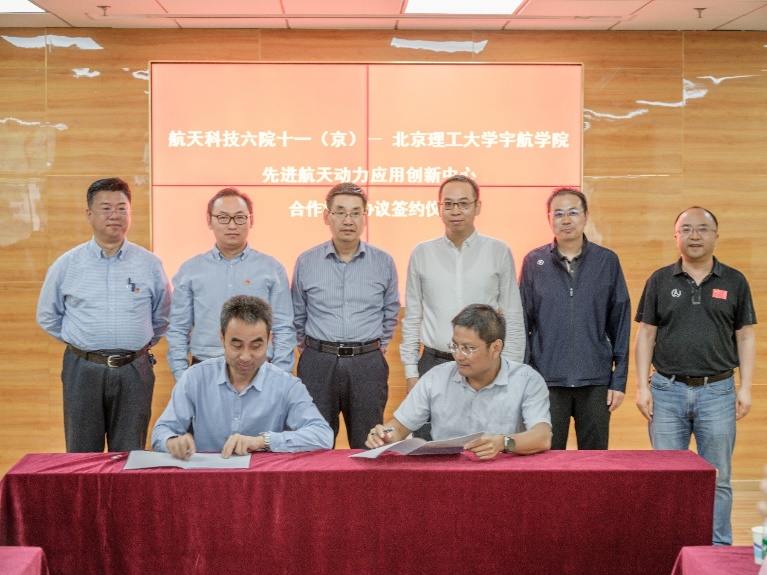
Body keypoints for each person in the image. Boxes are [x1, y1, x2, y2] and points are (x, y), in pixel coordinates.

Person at [635, 206, 756, 546]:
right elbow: (646, 334)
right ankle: (671, 548)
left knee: (718, 478)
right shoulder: (660, 280)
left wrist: (745, 388)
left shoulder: (735, 281)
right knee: (667, 478)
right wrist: (641, 387)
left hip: (718, 392)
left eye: (703, 229)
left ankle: (718, 550)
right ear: (676, 236)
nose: (695, 236)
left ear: (716, 235)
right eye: (686, 229)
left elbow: (745, 335)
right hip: (666, 392)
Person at [37, 177, 171, 452]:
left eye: (122, 208)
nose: (114, 215)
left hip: (135, 369)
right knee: (82, 453)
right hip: (82, 369)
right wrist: (81, 342)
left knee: (130, 452)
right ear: (89, 214)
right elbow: (48, 316)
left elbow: (162, 317)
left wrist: (137, 344)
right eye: (106, 208)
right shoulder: (67, 264)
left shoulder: (150, 264)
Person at [400, 175, 525, 439]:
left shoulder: (498, 251)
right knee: (427, 448)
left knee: (484, 446)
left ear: (477, 207)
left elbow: (513, 317)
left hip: (485, 366)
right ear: (439, 208)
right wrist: (411, 372)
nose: (455, 210)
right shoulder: (422, 253)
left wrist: (511, 373)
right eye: (448, 204)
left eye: (463, 203)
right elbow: (411, 318)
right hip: (434, 363)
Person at [152, 295, 333, 458]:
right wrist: (172, 442)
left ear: (269, 339)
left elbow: (323, 435)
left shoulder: (287, 385)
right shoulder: (196, 377)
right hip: (207, 476)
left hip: (262, 478)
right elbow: (162, 431)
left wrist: (263, 441)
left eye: (255, 346)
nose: (245, 356)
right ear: (222, 338)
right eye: (237, 346)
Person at [519, 187, 631, 450]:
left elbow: (620, 323)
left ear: (586, 216)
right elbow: (523, 323)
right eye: (558, 214)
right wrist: (524, 377)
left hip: (595, 380)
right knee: (546, 459)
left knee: (594, 462)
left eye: (573, 212)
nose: (566, 220)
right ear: (549, 219)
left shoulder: (607, 261)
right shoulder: (534, 262)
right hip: (546, 381)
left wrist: (618, 380)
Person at [291, 182, 400, 449]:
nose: (347, 220)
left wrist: (372, 348)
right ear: (326, 216)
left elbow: (390, 313)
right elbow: (298, 314)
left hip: (367, 364)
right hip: (318, 362)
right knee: (314, 444)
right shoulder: (307, 261)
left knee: (367, 444)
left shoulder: (383, 262)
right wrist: (314, 350)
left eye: (355, 213)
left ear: (365, 217)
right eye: (340, 212)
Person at [368, 304, 551, 459]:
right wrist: (384, 435)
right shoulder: (435, 378)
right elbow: (398, 427)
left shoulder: (526, 380)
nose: (458, 355)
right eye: (455, 346)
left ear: (496, 348)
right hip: (448, 475)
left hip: (502, 475)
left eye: (468, 348)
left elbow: (542, 437)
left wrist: (503, 443)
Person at [166, 187, 295, 382]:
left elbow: (284, 328)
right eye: (223, 218)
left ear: (251, 220)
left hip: (258, 370)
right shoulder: (190, 270)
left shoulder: (271, 269)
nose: (232, 225)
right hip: (204, 370)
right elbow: (178, 328)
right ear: (209, 220)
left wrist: (279, 377)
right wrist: (182, 376)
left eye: (240, 218)